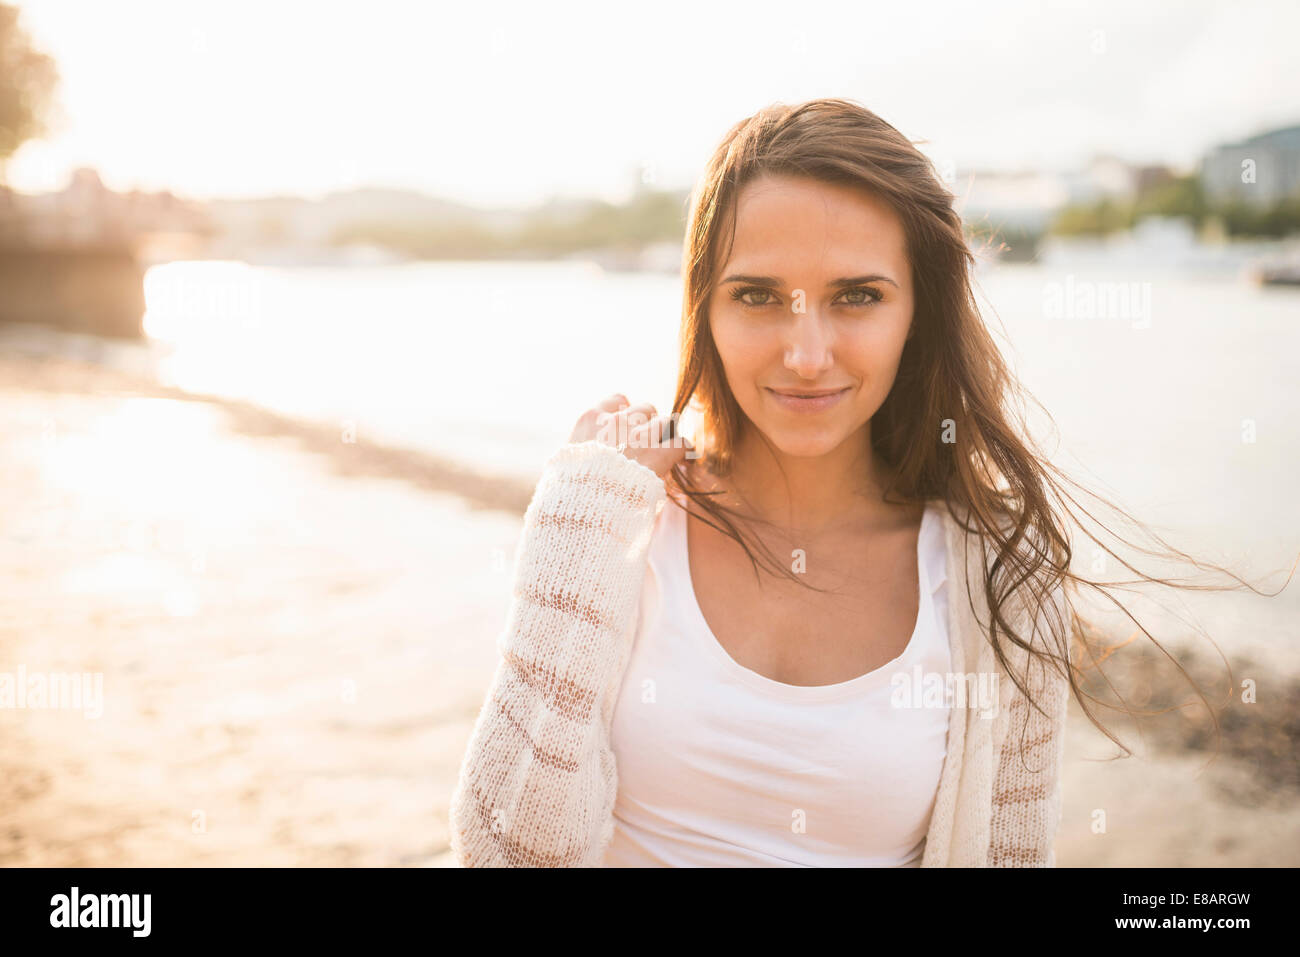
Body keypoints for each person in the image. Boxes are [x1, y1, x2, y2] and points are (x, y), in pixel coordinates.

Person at [448, 97, 1262, 867]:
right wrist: (580, 517)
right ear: (706, 307)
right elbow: (506, 852)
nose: (806, 354)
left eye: (857, 297)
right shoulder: (618, 531)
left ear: (919, 312)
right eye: (759, 295)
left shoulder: (998, 582)